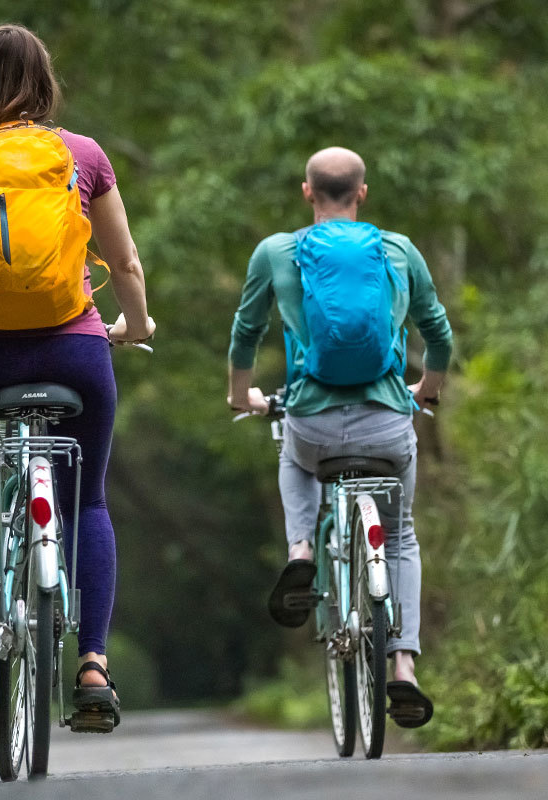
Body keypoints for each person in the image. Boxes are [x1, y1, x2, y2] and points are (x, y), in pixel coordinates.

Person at [0, 23, 155, 729]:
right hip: (76, 351)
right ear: (44, 83)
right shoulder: (82, 155)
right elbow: (126, 263)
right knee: (88, 506)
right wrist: (136, 324)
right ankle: (94, 668)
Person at [227, 146, 452, 727]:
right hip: (387, 426)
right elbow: (439, 336)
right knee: (400, 536)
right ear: (362, 193)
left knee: (293, 459)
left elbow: (245, 332)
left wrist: (239, 395)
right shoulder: (399, 250)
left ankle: (301, 550)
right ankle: (403, 665)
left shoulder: (277, 251)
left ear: (308, 193)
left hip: (313, 426)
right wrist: (425, 390)